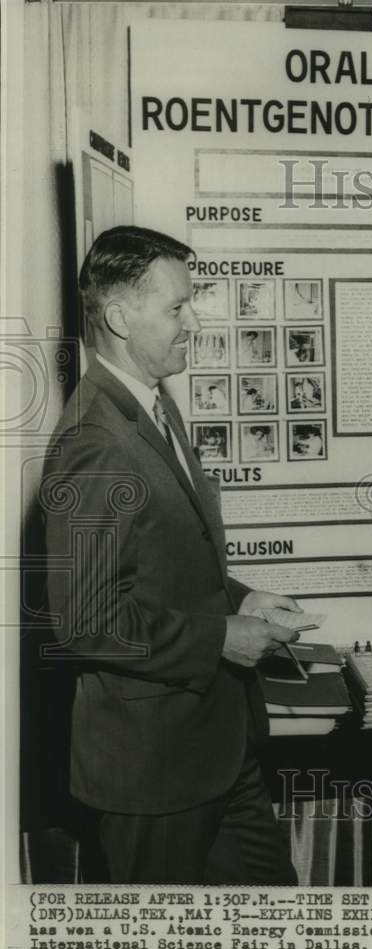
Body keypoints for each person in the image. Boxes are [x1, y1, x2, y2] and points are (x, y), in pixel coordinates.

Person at [43, 225, 302, 884]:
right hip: (152, 771)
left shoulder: (149, 405)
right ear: (121, 317)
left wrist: (241, 598)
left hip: (214, 748)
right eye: (177, 308)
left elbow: (161, 559)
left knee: (278, 932)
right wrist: (220, 637)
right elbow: (85, 622)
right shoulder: (96, 440)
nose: (193, 322)